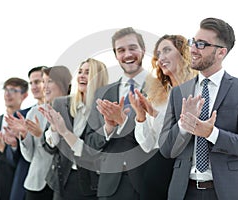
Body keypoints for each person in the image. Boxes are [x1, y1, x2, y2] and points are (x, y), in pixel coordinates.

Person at [159, 17, 238, 200]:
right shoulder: (178, 93)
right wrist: (184, 124)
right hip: (183, 192)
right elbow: (166, 149)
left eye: (201, 44)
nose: (193, 49)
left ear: (221, 52)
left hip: (227, 192)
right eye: (193, 42)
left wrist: (212, 133)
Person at [84, 27, 150, 200]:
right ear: (116, 56)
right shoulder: (102, 94)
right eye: (121, 50)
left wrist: (123, 120)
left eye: (132, 48)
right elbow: (90, 143)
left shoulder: (162, 88)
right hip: (110, 186)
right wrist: (108, 126)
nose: (127, 54)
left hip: (149, 183)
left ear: (143, 50)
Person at [129, 34, 197, 200]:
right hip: (158, 171)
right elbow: (148, 145)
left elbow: (187, 134)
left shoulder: (198, 89)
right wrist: (141, 116)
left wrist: (154, 114)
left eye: (167, 50)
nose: (161, 58)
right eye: (158, 54)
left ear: (183, 54)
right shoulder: (157, 94)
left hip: (187, 171)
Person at [38, 58, 108, 200]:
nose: (81, 76)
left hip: (90, 184)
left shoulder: (104, 110)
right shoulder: (61, 103)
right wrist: (53, 129)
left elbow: (94, 151)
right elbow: (48, 147)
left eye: (88, 73)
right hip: (62, 180)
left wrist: (64, 131)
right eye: (80, 72)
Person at [6, 65, 72, 200]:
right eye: (44, 82)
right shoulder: (35, 112)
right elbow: (29, 157)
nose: (44, 87)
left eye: (49, 81)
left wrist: (40, 135)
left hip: (64, 185)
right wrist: (24, 136)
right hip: (37, 184)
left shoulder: (74, 111)